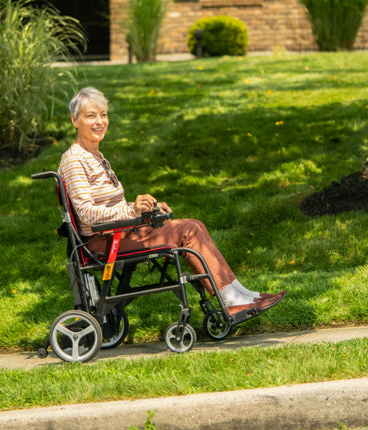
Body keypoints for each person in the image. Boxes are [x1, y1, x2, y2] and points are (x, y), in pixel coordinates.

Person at [58, 87, 286, 316]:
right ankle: (232, 299)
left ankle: (243, 295)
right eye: (91, 116)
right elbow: (87, 213)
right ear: (74, 120)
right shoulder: (75, 160)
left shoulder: (95, 156)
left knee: (194, 224)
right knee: (188, 230)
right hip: (102, 241)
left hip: (118, 233)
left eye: (103, 114)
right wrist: (133, 210)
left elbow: (107, 206)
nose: (99, 121)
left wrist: (144, 210)